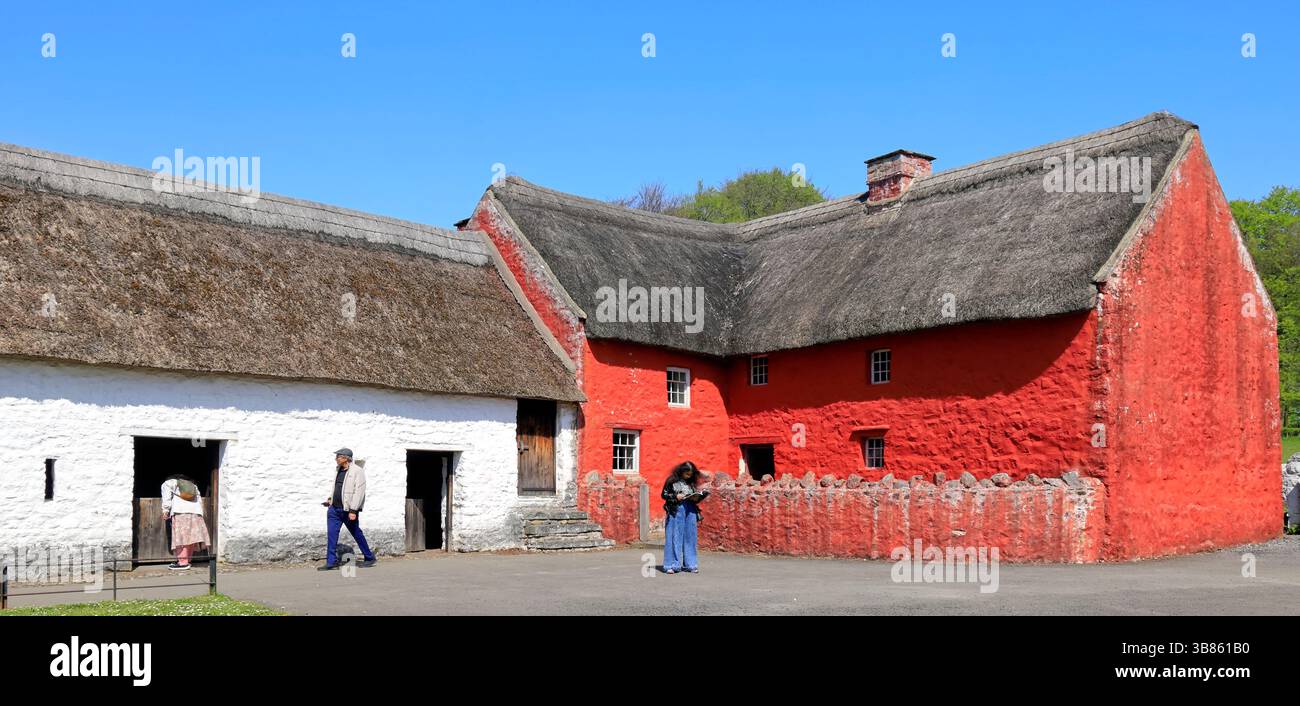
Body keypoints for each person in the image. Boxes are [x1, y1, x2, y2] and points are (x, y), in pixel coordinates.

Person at [319, 448, 377, 570]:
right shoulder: (338, 470)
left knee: (356, 533)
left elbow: (359, 492)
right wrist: (330, 500)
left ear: (346, 458)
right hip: (334, 510)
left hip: (348, 510)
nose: (336, 459)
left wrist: (353, 510)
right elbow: (338, 488)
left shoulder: (357, 471)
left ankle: (369, 557)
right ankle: (331, 562)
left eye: (338, 457)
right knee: (331, 535)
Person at [661, 461, 709, 574]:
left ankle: (690, 564)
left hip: (690, 510)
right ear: (681, 472)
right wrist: (675, 496)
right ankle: (672, 564)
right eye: (687, 474)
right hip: (676, 510)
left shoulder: (691, 482)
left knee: (690, 537)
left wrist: (698, 496)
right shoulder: (671, 481)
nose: (689, 476)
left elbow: (693, 494)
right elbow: (664, 494)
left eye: (691, 474)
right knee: (674, 536)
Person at [161, 474, 210, 571]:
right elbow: (199, 499)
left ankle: (183, 563)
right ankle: (187, 560)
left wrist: (165, 510)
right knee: (190, 538)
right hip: (195, 512)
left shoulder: (168, 483)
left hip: (180, 512)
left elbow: (166, 497)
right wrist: (200, 513)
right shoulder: (193, 485)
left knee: (181, 538)